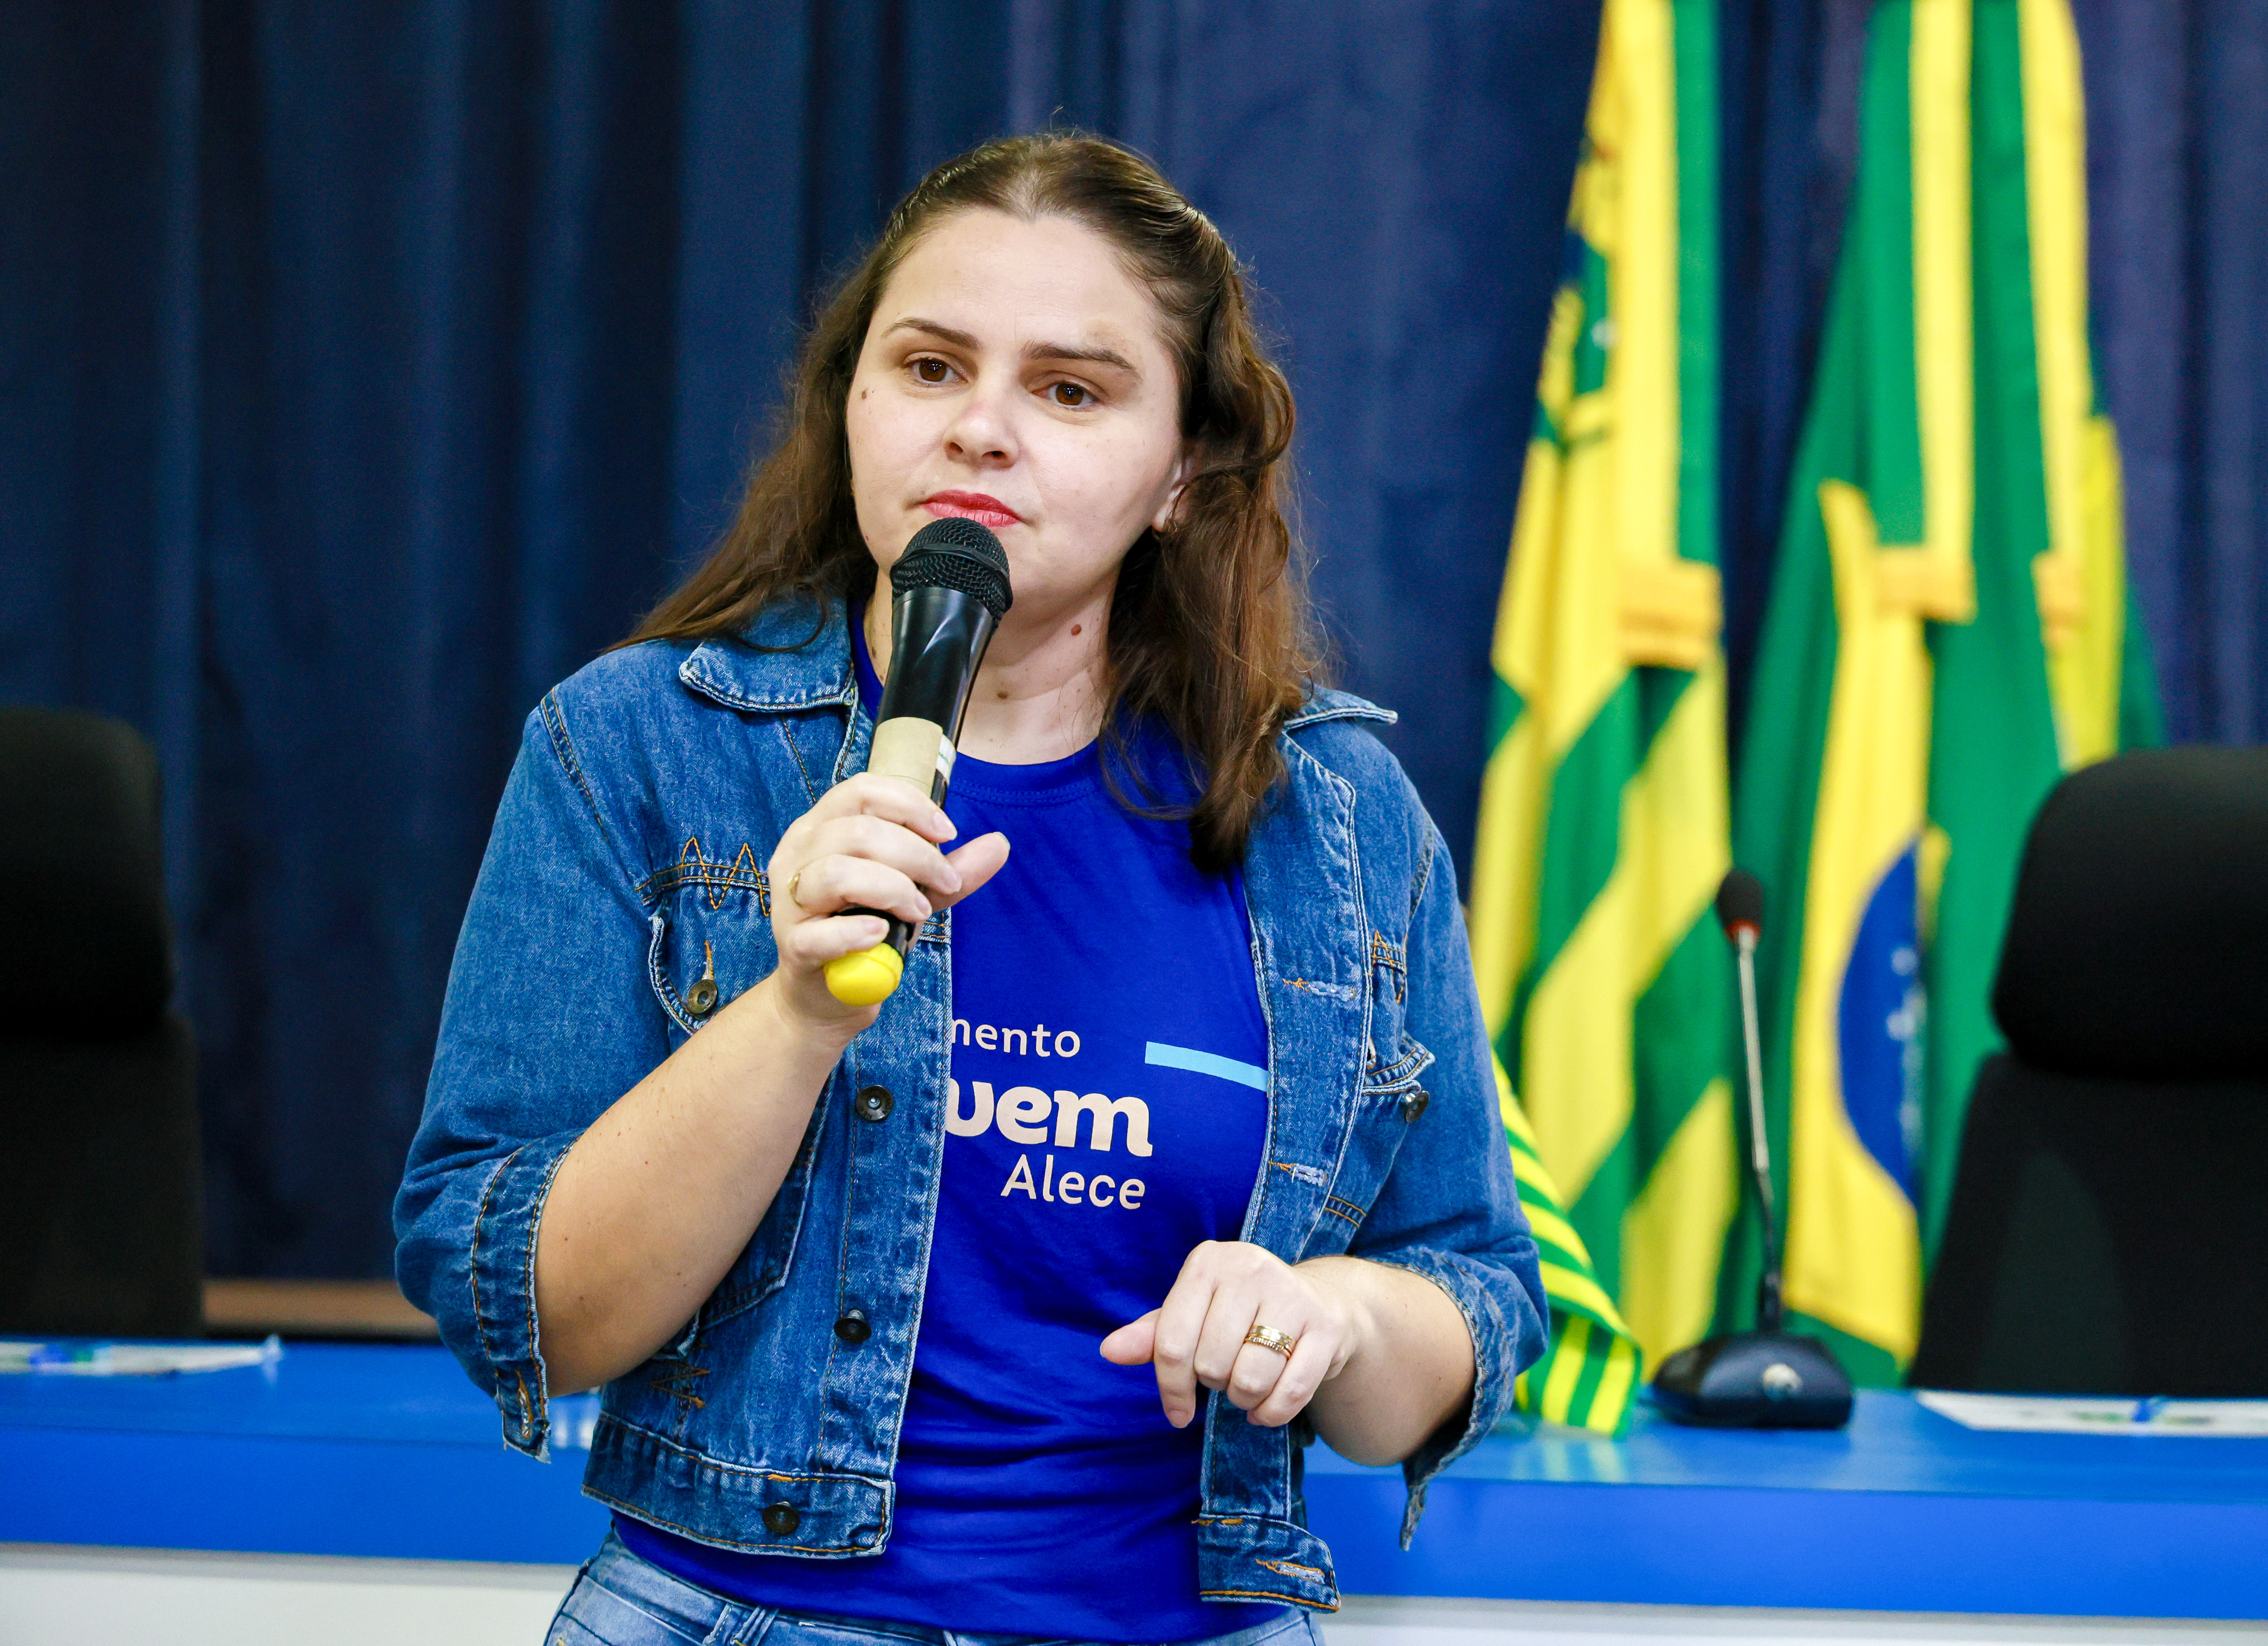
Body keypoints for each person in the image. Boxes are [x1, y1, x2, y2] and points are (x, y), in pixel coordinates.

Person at [395, 132, 1543, 1646]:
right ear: (851, 402)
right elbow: (535, 1320)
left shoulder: (1336, 817)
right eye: (930, 367)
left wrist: (1335, 1321)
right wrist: (795, 1014)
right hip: (731, 1613)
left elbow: (1470, 1296)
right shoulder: (638, 748)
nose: (981, 431)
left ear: (1183, 472)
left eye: (1071, 391)